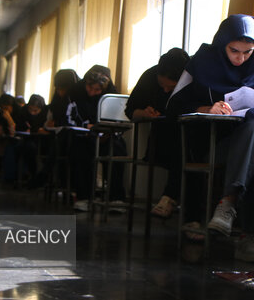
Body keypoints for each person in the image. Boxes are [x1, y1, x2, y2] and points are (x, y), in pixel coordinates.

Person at [167, 14, 254, 261]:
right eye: (234, 51)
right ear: (222, 43)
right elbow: (174, 105)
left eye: (248, 52)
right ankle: (250, 238)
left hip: (247, 141)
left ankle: (227, 203)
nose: (241, 59)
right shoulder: (202, 61)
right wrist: (207, 108)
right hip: (212, 144)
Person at [124, 48, 189, 219]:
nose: (166, 90)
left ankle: (172, 199)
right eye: (162, 85)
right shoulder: (149, 76)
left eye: (171, 86)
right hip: (161, 138)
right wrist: (143, 113)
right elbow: (130, 110)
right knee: (182, 147)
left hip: (186, 136)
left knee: (187, 144)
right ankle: (170, 198)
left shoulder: (192, 79)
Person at [67, 65, 127, 211]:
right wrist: (88, 129)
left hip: (107, 136)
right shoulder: (76, 93)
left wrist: (107, 133)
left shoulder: (112, 97)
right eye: (89, 88)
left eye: (97, 90)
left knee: (118, 148)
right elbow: (70, 118)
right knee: (80, 150)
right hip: (83, 135)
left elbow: (119, 121)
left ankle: (116, 198)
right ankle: (84, 196)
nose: (92, 92)